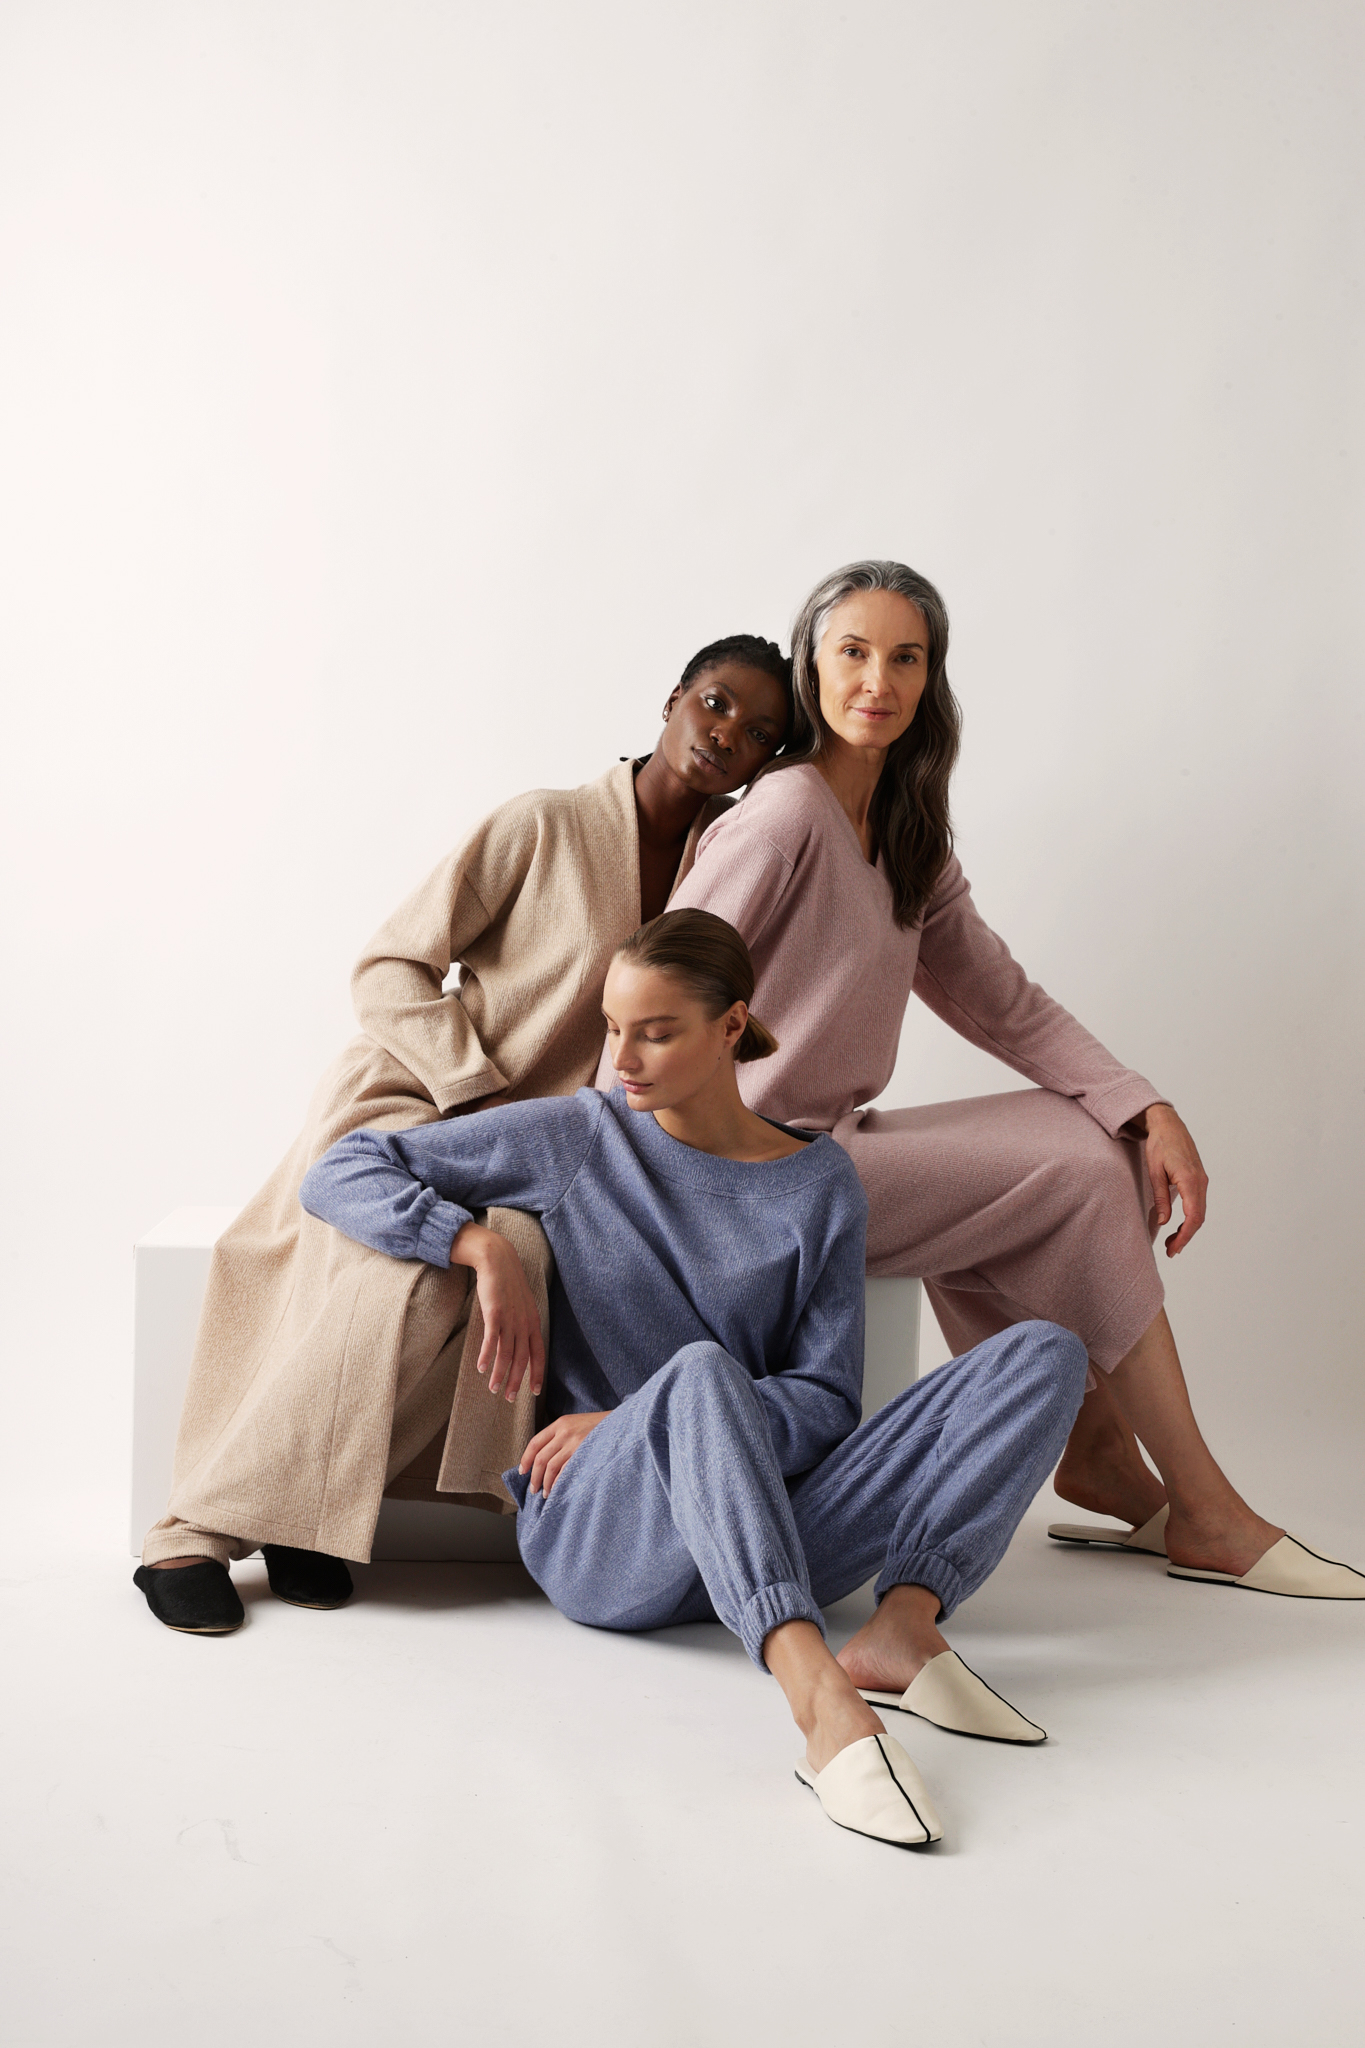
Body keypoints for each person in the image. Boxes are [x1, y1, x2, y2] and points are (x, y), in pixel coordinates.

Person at [300, 909, 1091, 1848]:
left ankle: (904, 1627)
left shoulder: (818, 1183)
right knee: (701, 1374)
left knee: (1045, 1352)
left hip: (770, 1528)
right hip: (602, 1536)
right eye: (612, 1028)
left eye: (655, 1032)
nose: (622, 1058)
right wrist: (475, 1245)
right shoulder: (580, 1136)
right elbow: (343, 1166)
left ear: (730, 1027)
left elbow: (826, 1404)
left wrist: (642, 1414)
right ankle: (817, 1697)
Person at [668, 562, 1364, 1602]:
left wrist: (1145, 1104)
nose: (878, 681)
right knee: (1074, 1173)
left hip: (826, 1152)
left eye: (906, 657)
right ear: (811, 665)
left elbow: (1002, 1002)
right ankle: (1200, 1503)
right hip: (748, 1179)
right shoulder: (783, 817)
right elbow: (656, 996)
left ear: (931, 676)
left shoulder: (901, 825)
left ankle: (1097, 1452)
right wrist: (640, 1194)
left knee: (1087, 1138)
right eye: (853, 652)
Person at [134, 636, 793, 1637]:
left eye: (758, 732)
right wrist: (467, 1084)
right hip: (417, 1094)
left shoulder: (721, 872)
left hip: (527, 1152)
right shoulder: (544, 824)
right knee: (418, 1273)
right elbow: (389, 964)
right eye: (714, 702)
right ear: (672, 699)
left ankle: (308, 1509)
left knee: (520, 1278)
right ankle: (196, 1526)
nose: (726, 734)